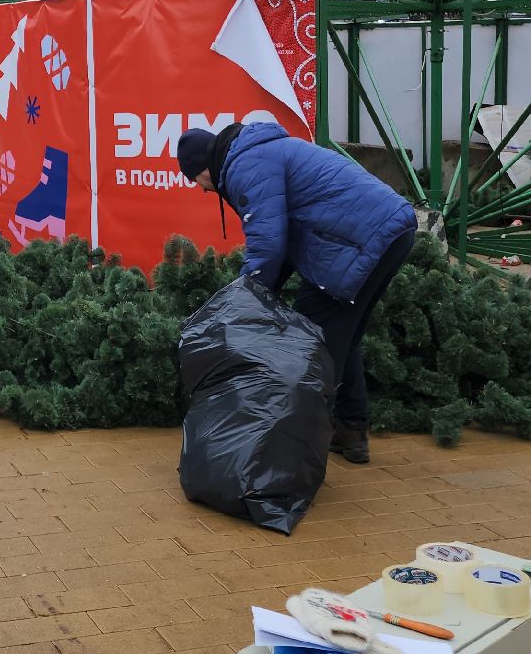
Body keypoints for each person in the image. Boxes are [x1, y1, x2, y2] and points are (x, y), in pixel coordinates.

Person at [178, 121, 415, 465]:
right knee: (341, 337)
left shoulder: (246, 164)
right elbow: (284, 242)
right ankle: (350, 430)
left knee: (310, 345)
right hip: (388, 232)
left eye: (194, 179)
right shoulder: (256, 153)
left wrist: (244, 300)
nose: (200, 189)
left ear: (203, 167)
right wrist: (261, 291)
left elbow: (269, 243)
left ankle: (295, 453)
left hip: (362, 240)